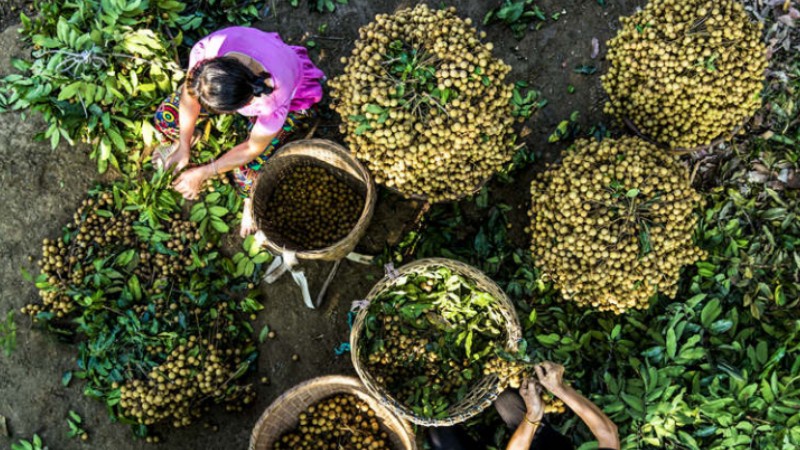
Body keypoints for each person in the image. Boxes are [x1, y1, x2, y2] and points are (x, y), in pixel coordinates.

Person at [153, 26, 325, 237]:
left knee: (247, 173)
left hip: (292, 96)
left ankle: (248, 200)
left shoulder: (272, 100)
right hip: (254, 67)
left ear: (241, 106)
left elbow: (253, 148)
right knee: (166, 116)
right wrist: (183, 144)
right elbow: (189, 97)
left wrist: (204, 172)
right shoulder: (206, 52)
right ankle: (193, 141)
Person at [429, 361, 620, 450]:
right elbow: (608, 434)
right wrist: (559, 388)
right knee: (500, 389)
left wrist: (533, 415)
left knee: (437, 427)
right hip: (543, 444)